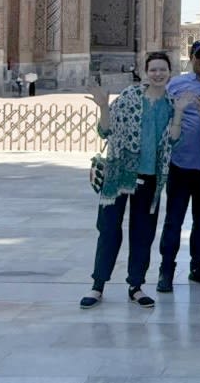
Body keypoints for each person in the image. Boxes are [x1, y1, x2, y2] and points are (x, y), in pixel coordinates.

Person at [80, 52, 186, 310]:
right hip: (119, 173)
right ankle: (98, 285)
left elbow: (173, 140)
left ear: (169, 73)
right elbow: (105, 130)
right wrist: (104, 107)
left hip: (150, 177)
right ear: (145, 71)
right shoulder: (129, 97)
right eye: (153, 69)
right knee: (108, 229)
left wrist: (180, 113)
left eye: (162, 70)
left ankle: (136, 286)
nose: (158, 74)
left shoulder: (171, 104)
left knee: (143, 234)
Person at [157, 39, 200, 293]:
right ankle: (166, 270)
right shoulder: (177, 84)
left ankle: (197, 268)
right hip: (180, 164)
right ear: (192, 57)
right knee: (174, 220)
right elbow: (162, 117)